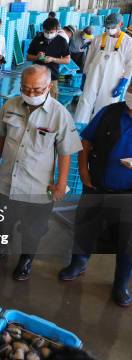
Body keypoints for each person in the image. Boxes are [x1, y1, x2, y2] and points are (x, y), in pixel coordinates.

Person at [0, 65, 82, 281]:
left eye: (37, 90)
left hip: (37, 186)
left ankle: (26, 260)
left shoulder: (59, 114)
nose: (30, 94)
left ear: (49, 86)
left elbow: (66, 151)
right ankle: (1, 251)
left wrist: (61, 183)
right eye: (25, 88)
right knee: (3, 221)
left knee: (33, 229)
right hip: (7, 181)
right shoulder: (10, 105)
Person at [59, 86, 132, 307]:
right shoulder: (109, 112)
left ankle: (121, 283)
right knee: (86, 227)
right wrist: (83, 170)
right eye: (131, 89)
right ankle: (78, 262)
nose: (131, 94)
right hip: (97, 185)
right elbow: (86, 141)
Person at [74, 13, 132, 124]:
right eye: (107, 27)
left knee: (106, 106)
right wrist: (84, 76)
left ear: (121, 24)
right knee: (85, 102)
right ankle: (78, 127)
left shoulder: (128, 42)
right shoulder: (97, 39)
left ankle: (99, 132)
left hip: (113, 80)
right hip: (93, 76)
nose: (109, 30)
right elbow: (89, 59)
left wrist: (123, 83)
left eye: (112, 27)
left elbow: (130, 65)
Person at [27, 17, 71, 99]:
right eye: (46, 32)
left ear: (57, 31)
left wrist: (53, 59)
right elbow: (28, 57)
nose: (48, 34)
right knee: (34, 98)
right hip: (37, 76)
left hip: (52, 77)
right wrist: (37, 57)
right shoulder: (37, 39)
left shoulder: (61, 41)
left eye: (51, 32)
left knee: (51, 102)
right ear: (43, 29)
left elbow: (67, 60)